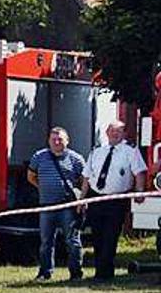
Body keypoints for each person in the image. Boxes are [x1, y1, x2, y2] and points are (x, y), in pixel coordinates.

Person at [83, 120, 150, 282]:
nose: (115, 134)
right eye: (112, 130)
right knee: (97, 236)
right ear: (107, 133)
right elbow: (87, 176)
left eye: (119, 131)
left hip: (116, 200)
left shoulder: (130, 151)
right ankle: (100, 271)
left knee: (110, 235)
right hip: (95, 197)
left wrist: (139, 192)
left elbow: (139, 173)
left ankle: (105, 273)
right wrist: (82, 199)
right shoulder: (97, 150)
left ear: (124, 134)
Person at [26, 126, 87, 281]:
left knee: (72, 241)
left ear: (67, 141)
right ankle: (45, 273)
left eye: (60, 139)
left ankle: (76, 273)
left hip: (68, 207)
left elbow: (84, 182)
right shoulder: (39, 157)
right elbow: (31, 176)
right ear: (49, 141)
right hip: (46, 206)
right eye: (53, 139)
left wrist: (81, 200)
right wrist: (42, 187)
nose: (57, 142)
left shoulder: (76, 159)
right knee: (46, 242)